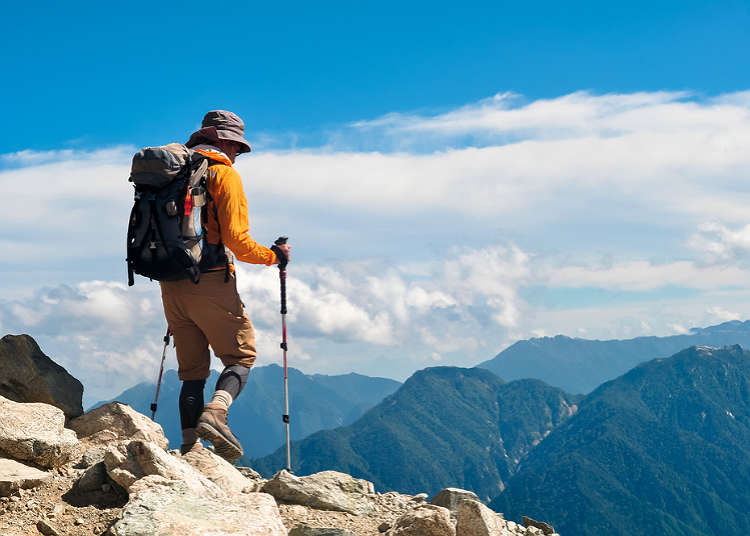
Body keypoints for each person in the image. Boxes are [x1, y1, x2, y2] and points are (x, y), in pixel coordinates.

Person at [159, 110, 290, 462]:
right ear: (224, 141)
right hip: (212, 278)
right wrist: (274, 256)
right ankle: (217, 414)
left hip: (171, 284)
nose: (238, 155)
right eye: (237, 147)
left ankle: (190, 449)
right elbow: (237, 240)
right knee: (240, 356)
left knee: (192, 372)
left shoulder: (172, 174)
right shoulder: (222, 175)